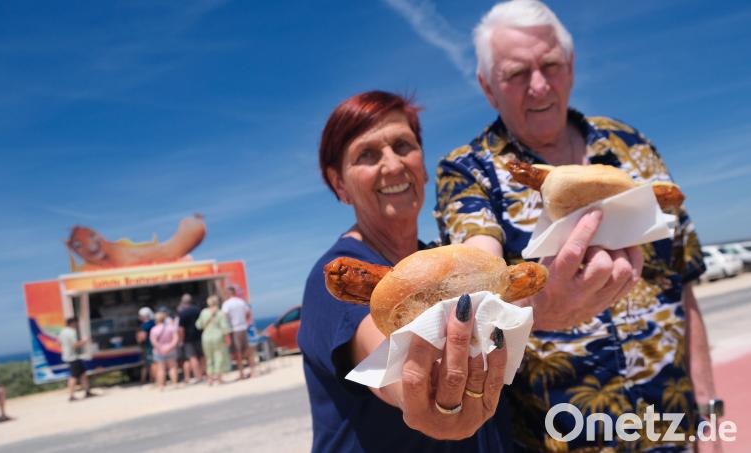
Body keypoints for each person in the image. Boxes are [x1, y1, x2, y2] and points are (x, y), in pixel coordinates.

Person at [434, 1, 717, 451]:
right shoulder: (469, 172)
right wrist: (534, 313)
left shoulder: (632, 147)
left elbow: (684, 286)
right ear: (488, 89)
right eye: (516, 74)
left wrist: (709, 414)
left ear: (571, 67)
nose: (539, 86)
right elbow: (478, 270)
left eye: (550, 65)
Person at [298, 90, 509, 452]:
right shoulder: (335, 278)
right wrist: (422, 396)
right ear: (340, 185)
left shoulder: (447, 264)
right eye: (367, 154)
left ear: (424, 167)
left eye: (403, 146)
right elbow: (388, 366)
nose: (393, 165)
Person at [195, 295, 232, 385]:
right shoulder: (220, 313)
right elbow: (224, 327)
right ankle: (219, 379)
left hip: (206, 337)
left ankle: (210, 379)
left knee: (209, 358)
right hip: (218, 337)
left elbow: (198, 325)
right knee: (219, 356)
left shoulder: (203, 312)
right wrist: (227, 337)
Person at [221, 286, 256, 379]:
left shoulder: (226, 304)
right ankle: (253, 371)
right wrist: (247, 322)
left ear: (228, 293)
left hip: (234, 329)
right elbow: (248, 313)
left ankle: (242, 373)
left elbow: (224, 317)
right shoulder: (241, 302)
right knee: (247, 351)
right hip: (243, 328)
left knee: (238, 353)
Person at [59, 317, 94, 402]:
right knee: (73, 376)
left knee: (83, 374)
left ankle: (87, 391)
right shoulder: (71, 332)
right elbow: (75, 345)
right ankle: (71, 395)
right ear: (72, 323)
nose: (77, 325)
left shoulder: (62, 332)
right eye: (76, 323)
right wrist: (85, 341)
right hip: (72, 357)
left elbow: (60, 343)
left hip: (68, 355)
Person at [177, 294, 204, 384]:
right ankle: (205, 373)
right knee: (202, 356)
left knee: (193, 358)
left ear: (183, 302)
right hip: (200, 336)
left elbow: (181, 329)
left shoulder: (183, 313)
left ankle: (198, 377)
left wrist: (181, 339)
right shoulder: (198, 310)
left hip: (188, 339)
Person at [150, 311, 180, 390]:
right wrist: (170, 347)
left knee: (161, 369)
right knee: (172, 367)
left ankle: (161, 386)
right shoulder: (171, 327)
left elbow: (153, 341)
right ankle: (175, 384)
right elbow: (175, 339)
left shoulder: (154, 329)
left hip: (159, 351)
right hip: (171, 350)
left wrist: (161, 348)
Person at [136, 307, 156, 385]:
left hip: (148, 346)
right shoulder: (154, 322)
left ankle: (154, 380)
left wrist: (138, 338)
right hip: (155, 345)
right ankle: (151, 379)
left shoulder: (145, 325)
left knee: (151, 364)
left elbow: (142, 338)